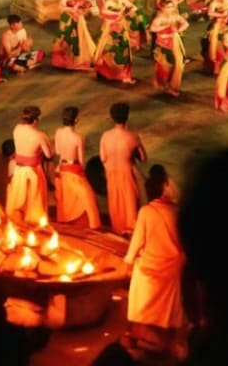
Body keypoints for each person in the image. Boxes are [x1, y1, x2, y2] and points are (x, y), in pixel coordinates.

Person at [124, 168, 185, 351]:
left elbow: (137, 242)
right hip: (172, 268)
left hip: (150, 268)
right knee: (167, 307)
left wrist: (127, 261)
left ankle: (141, 334)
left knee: (138, 282)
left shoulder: (146, 211)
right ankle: (164, 338)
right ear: (164, 188)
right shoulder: (176, 212)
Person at [101, 102, 147, 235]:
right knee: (130, 204)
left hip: (111, 174)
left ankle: (117, 229)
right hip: (126, 173)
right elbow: (143, 158)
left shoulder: (105, 135)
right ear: (127, 117)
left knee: (116, 204)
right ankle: (132, 233)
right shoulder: (132, 136)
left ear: (112, 117)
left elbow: (103, 158)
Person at [54, 106, 101, 229]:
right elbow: (80, 160)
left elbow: (58, 151)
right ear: (76, 120)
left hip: (61, 168)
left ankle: (66, 222)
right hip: (73, 170)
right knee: (89, 198)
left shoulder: (58, 132)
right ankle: (93, 226)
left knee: (66, 199)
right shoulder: (78, 138)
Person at [6, 106, 52, 225]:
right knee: (34, 199)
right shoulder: (39, 135)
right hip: (33, 170)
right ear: (36, 120)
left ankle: (18, 221)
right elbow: (49, 154)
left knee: (19, 197)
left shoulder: (17, 129)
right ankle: (33, 222)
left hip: (19, 169)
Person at [94, 0, 137, 85]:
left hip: (121, 27)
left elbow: (133, 7)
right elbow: (104, 12)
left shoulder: (122, 0)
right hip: (110, 28)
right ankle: (109, 71)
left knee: (124, 49)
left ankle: (125, 75)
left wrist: (127, 11)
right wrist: (119, 13)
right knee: (110, 50)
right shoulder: (108, 2)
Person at [51, 0, 96, 71]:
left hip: (79, 18)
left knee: (82, 37)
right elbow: (60, 7)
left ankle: (83, 59)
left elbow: (89, 1)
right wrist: (71, 9)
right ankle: (73, 59)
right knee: (72, 37)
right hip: (69, 18)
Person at [150, 0, 189, 96]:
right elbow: (153, 28)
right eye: (168, 7)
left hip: (175, 42)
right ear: (162, 8)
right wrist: (165, 27)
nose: (170, 9)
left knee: (178, 64)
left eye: (172, 7)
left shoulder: (175, 16)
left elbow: (185, 23)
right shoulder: (159, 18)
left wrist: (179, 30)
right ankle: (165, 84)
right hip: (163, 43)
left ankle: (173, 86)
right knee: (166, 65)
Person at [203, 0, 228, 73]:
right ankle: (217, 70)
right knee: (218, 50)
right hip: (217, 28)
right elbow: (210, 13)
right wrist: (221, 15)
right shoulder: (214, 3)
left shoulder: (226, 0)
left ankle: (225, 68)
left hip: (226, 27)